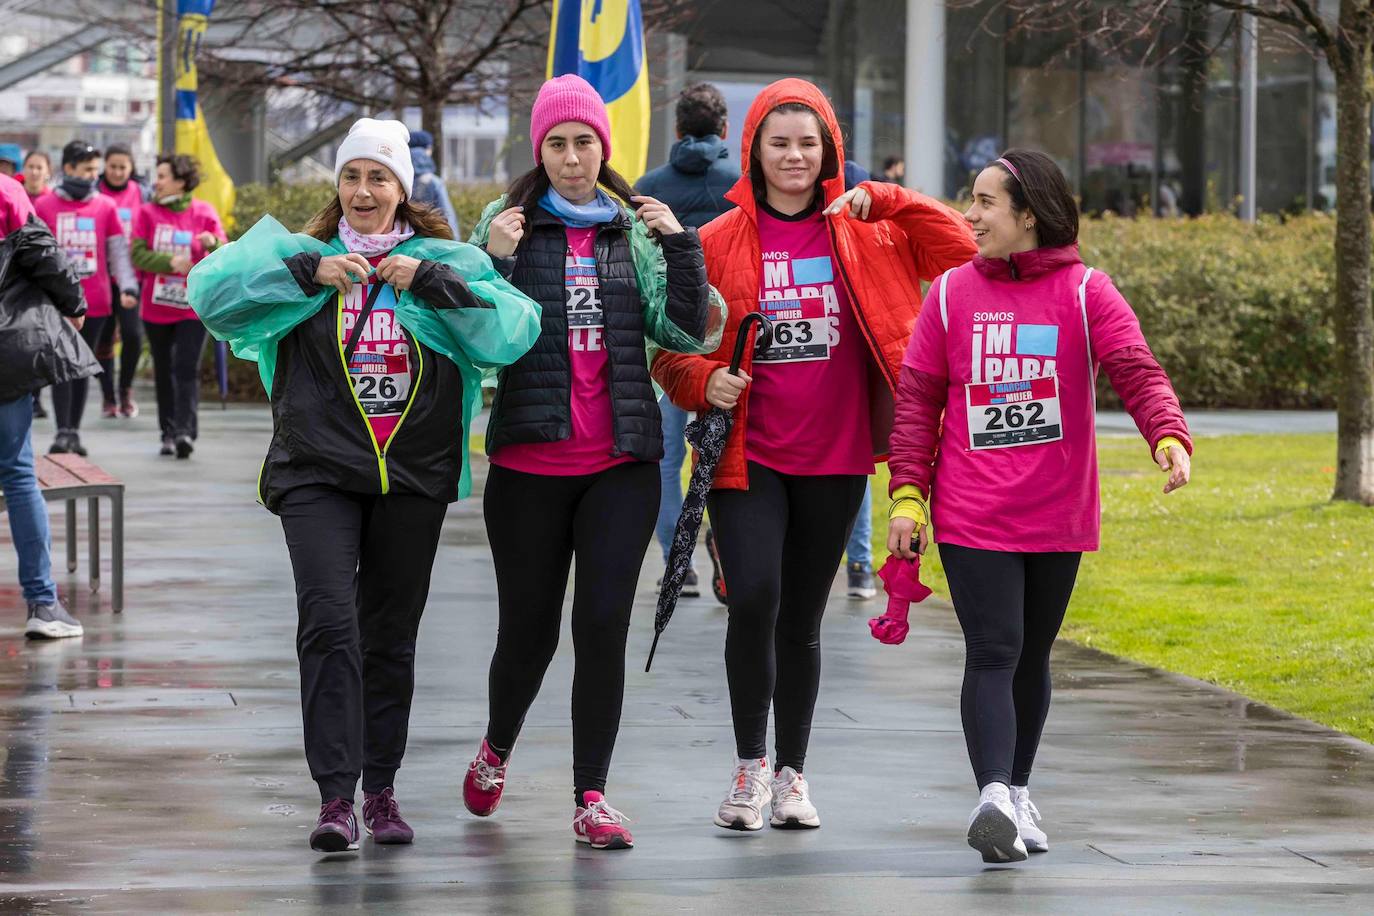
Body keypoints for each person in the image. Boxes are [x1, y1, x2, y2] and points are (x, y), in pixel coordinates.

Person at [188, 117, 541, 854]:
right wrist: (300, 275)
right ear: (338, 187)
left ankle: (380, 789)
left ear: (402, 192)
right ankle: (334, 797)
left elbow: (514, 330)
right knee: (327, 623)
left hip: (411, 476)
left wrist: (439, 282)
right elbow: (210, 298)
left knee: (389, 637)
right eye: (351, 176)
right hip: (316, 469)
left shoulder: (442, 258)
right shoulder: (303, 257)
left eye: (379, 178)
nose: (363, 190)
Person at [653, 78, 976, 833]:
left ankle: (794, 775)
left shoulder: (867, 232)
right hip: (748, 459)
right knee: (754, 599)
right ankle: (748, 768)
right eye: (779, 143)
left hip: (836, 460)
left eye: (808, 143)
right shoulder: (715, 243)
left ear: (829, 149)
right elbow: (670, 355)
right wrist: (708, 380)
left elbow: (967, 250)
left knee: (800, 618)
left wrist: (891, 199)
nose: (794, 156)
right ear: (753, 152)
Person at [886, 149, 1192, 864]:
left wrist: (1168, 435)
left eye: (986, 201)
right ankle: (992, 793)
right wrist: (908, 496)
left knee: (1031, 657)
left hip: (1056, 512)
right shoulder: (952, 294)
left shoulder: (1087, 292)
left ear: (1029, 215)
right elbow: (917, 402)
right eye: (972, 198)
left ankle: (1017, 791)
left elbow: (1136, 368)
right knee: (993, 649)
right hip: (972, 510)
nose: (971, 214)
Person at [462, 74, 723, 851]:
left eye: (584, 143)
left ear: (603, 148)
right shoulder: (506, 225)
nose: (573, 158)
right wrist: (495, 260)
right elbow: (478, 336)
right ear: (539, 151)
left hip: (621, 463)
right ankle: (496, 746)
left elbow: (683, 331)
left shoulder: (634, 229)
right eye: (557, 144)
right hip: (530, 467)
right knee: (529, 631)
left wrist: (681, 245)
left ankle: (591, 795)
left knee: (603, 625)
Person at [635, 81, 738, 597]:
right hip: (732, 341)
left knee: (667, 456)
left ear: (676, 130)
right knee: (723, 453)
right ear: (725, 130)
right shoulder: (743, 185)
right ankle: (725, 541)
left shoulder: (649, 187)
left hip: (670, 340)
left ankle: (681, 563)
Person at [0, 164, 97, 639]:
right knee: (18, 475)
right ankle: (42, 604)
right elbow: (46, 256)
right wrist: (75, 305)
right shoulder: (6, 193)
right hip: (5, 357)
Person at [34, 141, 138, 457]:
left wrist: (128, 286)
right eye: (88, 169)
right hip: (55, 303)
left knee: (80, 366)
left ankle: (73, 431)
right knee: (62, 364)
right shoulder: (44, 206)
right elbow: (34, 253)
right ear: (68, 169)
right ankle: (63, 430)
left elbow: (119, 252)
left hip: (96, 302)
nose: (95, 175)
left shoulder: (105, 207)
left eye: (96, 170)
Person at [132, 153, 226, 458]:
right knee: (163, 371)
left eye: (162, 176)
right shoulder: (146, 213)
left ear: (181, 181)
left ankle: (185, 432)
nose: (156, 182)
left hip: (191, 306)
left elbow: (224, 252)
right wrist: (169, 261)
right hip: (155, 308)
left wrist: (211, 242)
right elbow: (137, 254)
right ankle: (168, 432)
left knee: (186, 368)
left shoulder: (203, 212)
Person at [96, 143, 149, 419]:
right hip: (102, 278)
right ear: (105, 167)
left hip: (132, 277)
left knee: (132, 334)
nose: (117, 172)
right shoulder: (95, 193)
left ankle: (125, 389)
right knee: (102, 339)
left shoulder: (141, 193)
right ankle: (108, 396)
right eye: (112, 166)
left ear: (131, 169)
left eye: (122, 167)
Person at [407, 129, 461, 239]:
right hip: (430, 242)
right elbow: (447, 217)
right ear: (428, 149)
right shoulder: (433, 182)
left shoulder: (396, 179)